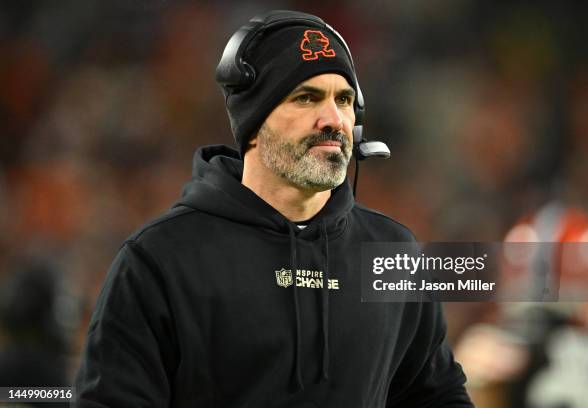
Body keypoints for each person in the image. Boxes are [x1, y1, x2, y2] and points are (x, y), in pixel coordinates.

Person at [74, 10, 473, 407]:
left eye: (345, 99)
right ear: (254, 119)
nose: (333, 119)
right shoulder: (161, 258)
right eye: (306, 97)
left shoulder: (393, 251)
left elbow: (436, 395)